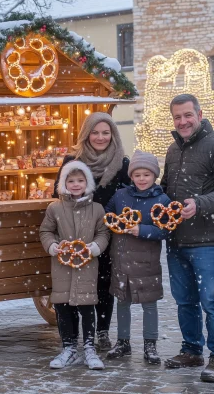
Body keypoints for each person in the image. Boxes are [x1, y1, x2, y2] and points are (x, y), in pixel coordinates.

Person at [161, 94, 214, 382]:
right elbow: (165, 190)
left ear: (199, 114)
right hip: (176, 240)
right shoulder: (173, 150)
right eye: (177, 117)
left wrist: (200, 203)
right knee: (185, 301)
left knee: (212, 300)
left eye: (187, 115)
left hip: (210, 240)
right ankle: (192, 350)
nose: (182, 121)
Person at [53, 112, 131, 350]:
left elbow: (127, 199)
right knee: (74, 285)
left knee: (104, 284)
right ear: (86, 134)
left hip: (107, 235)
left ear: (113, 134)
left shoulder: (122, 163)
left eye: (105, 132)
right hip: (74, 234)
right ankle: (75, 335)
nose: (100, 137)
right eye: (95, 132)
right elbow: (59, 194)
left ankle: (103, 332)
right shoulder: (72, 160)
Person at [40, 160, 110, 370]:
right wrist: (53, 247)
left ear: (87, 183)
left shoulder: (97, 209)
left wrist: (95, 248)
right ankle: (68, 347)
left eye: (80, 180)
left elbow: (103, 232)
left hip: (87, 265)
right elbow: (46, 231)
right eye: (71, 180)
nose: (76, 184)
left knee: (87, 307)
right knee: (62, 307)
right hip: (62, 267)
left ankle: (89, 347)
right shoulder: (55, 208)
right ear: (64, 183)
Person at [104, 150, 171, 364]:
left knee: (149, 304)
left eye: (147, 175)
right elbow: (108, 215)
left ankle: (150, 345)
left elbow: (165, 230)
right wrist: (116, 224)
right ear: (131, 176)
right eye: (138, 175)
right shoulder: (121, 196)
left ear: (154, 176)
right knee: (122, 302)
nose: (142, 179)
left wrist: (141, 230)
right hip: (121, 260)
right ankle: (123, 342)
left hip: (146, 263)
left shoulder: (161, 200)